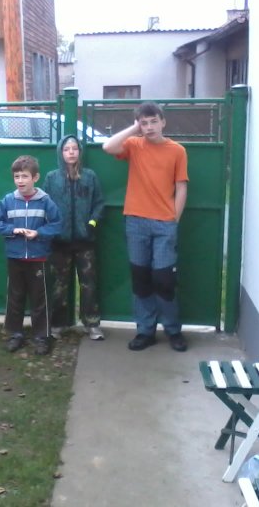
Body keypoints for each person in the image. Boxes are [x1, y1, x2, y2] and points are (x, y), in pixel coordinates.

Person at [102, 101, 189, 352]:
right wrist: (134, 128)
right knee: (141, 280)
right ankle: (145, 331)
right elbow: (108, 146)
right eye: (144, 122)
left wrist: (174, 219)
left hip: (164, 225)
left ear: (163, 122)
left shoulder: (177, 151)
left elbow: (181, 187)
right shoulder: (134, 144)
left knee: (164, 280)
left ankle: (173, 330)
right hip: (136, 222)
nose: (149, 127)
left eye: (153, 121)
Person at [0, 155, 62, 355]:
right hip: (15, 258)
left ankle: (42, 337)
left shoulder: (45, 201)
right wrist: (12, 230)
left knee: (40, 299)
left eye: (24, 176)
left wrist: (38, 233)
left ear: (35, 177)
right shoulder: (8, 200)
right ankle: (15, 334)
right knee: (15, 297)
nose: (20, 181)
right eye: (17, 176)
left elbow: (57, 224)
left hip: (39, 258)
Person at [42, 135, 106, 341]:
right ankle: (57, 324)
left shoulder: (89, 176)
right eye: (66, 149)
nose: (71, 152)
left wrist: (92, 223)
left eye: (74, 148)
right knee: (59, 285)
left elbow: (99, 203)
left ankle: (92, 324)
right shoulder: (52, 178)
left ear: (80, 152)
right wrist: (52, 228)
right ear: (60, 153)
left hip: (84, 240)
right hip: (59, 242)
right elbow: (45, 204)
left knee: (89, 283)